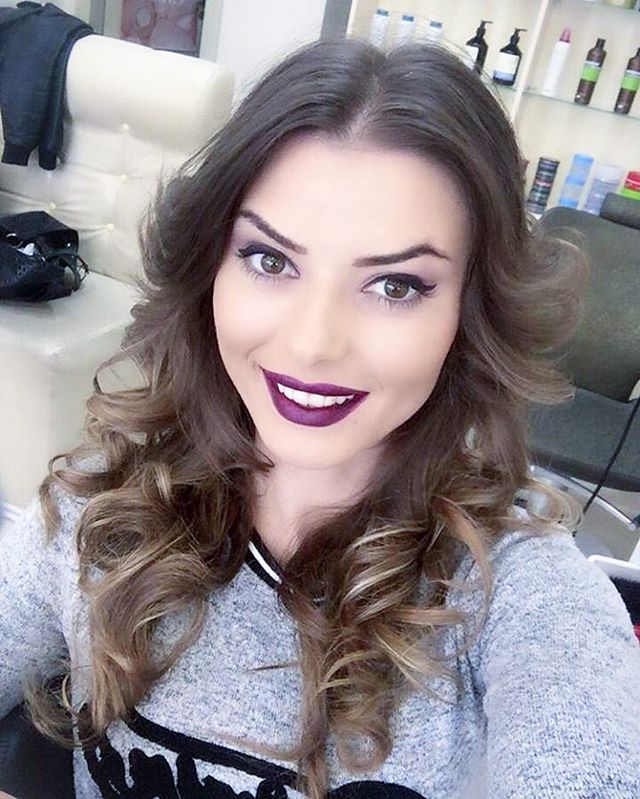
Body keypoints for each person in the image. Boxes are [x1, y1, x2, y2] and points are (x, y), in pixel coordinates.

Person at [1, 37, 639, 799]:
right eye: (270, 260)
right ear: (210, 267)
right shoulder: (102, 508)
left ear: (472, 314)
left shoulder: (515, 590)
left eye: (396, 285)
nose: (312, 344)